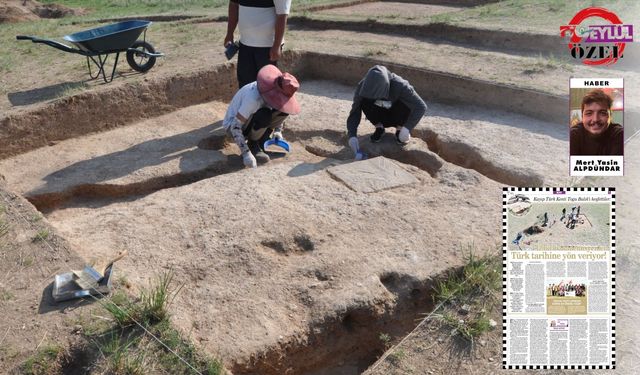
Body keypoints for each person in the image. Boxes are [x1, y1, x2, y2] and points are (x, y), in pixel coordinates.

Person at [222, 64, 300, 168]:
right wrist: (246, 153)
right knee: (264, 115)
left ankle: (262, 140)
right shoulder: (253, 99)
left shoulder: (272, 91)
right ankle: (253, 144)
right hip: (233, 127)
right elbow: (235, 127)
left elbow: (281, 109)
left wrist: (277, 130)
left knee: (283, 110)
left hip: (253, 119)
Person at [346, 65, 428, 158]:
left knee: (406, 103)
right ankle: (379, 127)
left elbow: (421, 106)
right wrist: (352, 135)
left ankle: (399, 129)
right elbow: (355, 111)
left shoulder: (400, 85)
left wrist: (407, 128)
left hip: (397, 113)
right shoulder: (363, 87)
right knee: (364, 101)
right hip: (379, 114)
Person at [224, 0, 292, 88]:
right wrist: (229, 33)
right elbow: (234, 5)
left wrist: (277, 45)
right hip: (245, 44)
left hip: (268, 47)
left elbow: (282, 15)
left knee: (268, 85)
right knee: (246, 85)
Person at [570, 89, 623, 156]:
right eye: (589, 113)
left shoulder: (619, 134)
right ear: (582, 116)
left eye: (602, 113)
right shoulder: (574, 134)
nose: (595, 119)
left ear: (610, 116)